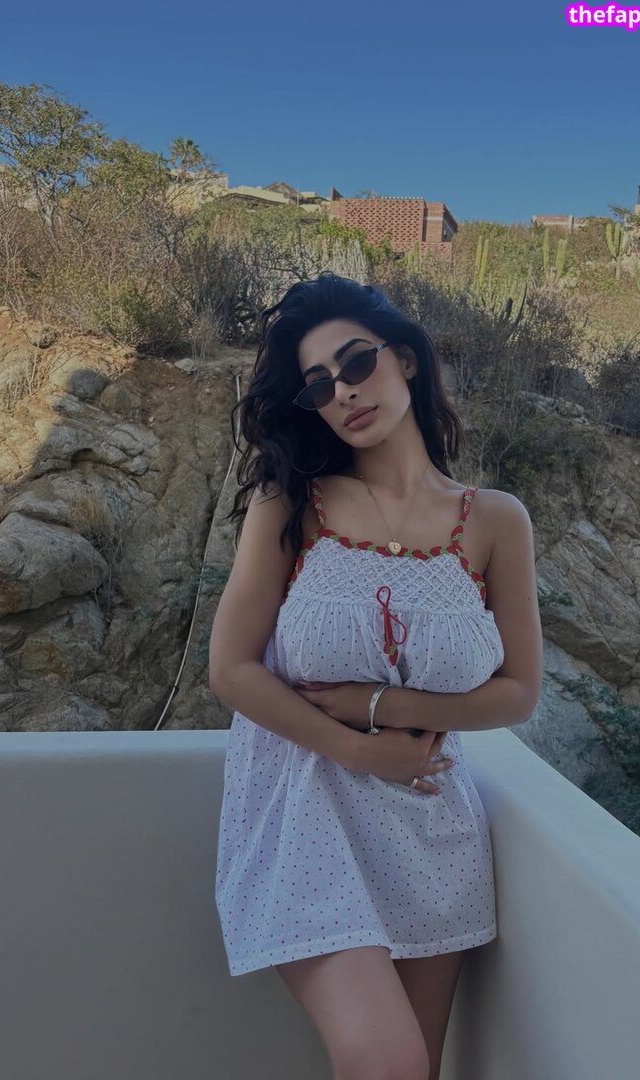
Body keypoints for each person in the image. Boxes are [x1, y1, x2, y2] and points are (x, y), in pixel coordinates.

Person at [209, 271, 543, 1080]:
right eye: (318, 385)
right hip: (302, 815)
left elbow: (517, 691)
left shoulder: (495, 520)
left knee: (412, 1071)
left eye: (357, 363)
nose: (343, 391)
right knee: (386, 1060)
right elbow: (232, 669)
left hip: (432, 826)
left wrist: (381, 704)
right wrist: (358, 748)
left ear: (405, 359)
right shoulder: (292, 504)